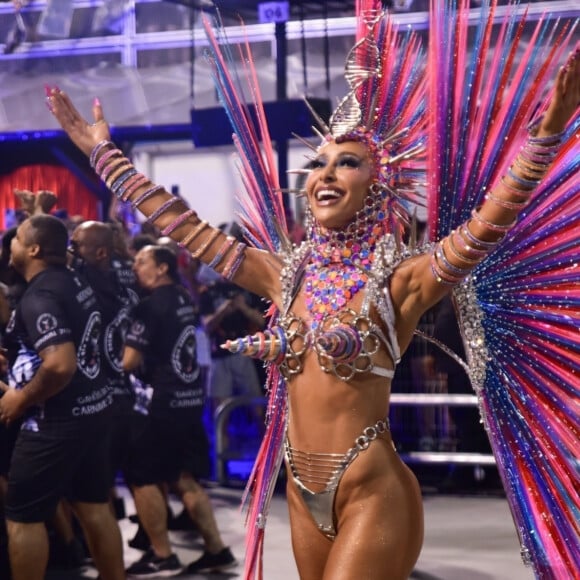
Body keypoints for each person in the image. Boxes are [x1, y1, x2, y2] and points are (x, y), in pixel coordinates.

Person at [46, 5, 579, 579]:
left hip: (371, 489)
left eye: (347, 163)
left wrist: (547, 135)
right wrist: (105, 158)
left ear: (378, 188)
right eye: (317, 163)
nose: (323, 174)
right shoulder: (284, 272)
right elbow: (188, 229)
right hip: (299, 488)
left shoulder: (401, 278)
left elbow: (484, 228)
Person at [0, 214, 125, 580]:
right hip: (95, 410)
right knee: (93, 506)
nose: (12, 244)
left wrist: (20, 400)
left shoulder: (40, 295)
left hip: (56, 421)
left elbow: (59, 365)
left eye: (18, 238)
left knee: (22, 516)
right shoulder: (74, 279)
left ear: (33, 249)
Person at [122, 244, 236, 577]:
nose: (135, 267)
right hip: (189, 400)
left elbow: (129, 362)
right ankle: (216, 550)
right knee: (184, 479)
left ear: (162, 268)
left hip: (160, 407)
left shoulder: (148, 308)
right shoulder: (187, 299)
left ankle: (163, 555)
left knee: (143, 479)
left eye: (142, 261)